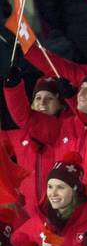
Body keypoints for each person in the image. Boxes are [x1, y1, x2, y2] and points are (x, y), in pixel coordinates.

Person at [1, 74, 73, 209]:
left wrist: (13, 89)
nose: (42, 103)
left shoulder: (65, 131)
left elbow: (25, 116)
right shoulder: (19, 136)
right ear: (32, 104)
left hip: (59, 214)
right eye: (38, 98)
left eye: (49, 98)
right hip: (27, 216)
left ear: (61, 106)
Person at [11, 153, 87, 246]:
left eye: (60, 187)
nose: (53, 193)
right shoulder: (43, 217)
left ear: (75, 190)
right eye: (50, 186)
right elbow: (17, 240)